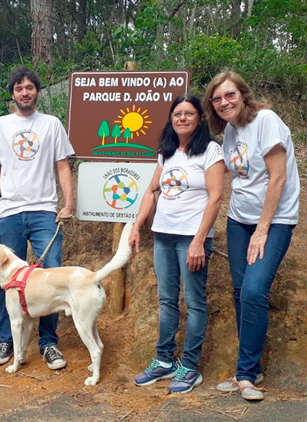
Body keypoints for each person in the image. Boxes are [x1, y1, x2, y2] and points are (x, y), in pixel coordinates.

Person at [202, 70, 300, 401]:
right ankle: (251, 368)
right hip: (238, 219)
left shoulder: (267, 120)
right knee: (241, 290)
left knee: (256, 290)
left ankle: (245, 375)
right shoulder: (230, 130)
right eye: (216, 99)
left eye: (229, 95)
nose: (223, 102)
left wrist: (262, 229)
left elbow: (278, 178)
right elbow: (233, 171)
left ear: (243, 94)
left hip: (275, 221)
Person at [129, 94, 224, 393]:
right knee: (167, 300)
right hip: (163, 235)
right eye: (177, 114)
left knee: (194, 303)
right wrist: (136, 226)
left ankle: (190, 366)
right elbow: (151, 191)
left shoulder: (210, 151)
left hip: (191, 238)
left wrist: (199, 240)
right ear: (171, 119)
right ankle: (164, 360)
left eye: (189, 113)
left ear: (199, 118)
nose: (182, 118)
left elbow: (216, 196)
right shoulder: (166, 152)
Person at [0, 67, 75, 370]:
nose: (25, 92)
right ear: (13, 93)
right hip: (8, 212)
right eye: (19, 88)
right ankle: (7, 339)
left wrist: (68, 203)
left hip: (45, 210)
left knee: (50, 276)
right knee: (6, 281)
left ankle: (48, 344)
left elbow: (62, 166)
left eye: (30, 87)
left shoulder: (51, 124)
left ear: (37, 91)